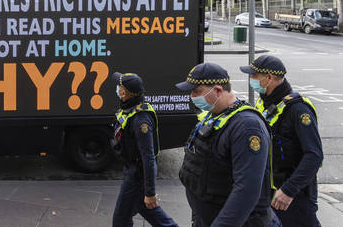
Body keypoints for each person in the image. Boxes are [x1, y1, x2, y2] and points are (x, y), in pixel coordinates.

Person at [176, 62, 280, 227]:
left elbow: (246, 190)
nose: (192, 96)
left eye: (197, 91)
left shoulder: (247, 126)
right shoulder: (215, 115)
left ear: (217, 90)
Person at [240, 55, 323, 227]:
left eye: (254, 76)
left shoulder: (298, 109)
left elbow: (314, 155)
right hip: (269, 192)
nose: (251, 80)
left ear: (269, 78)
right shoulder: (264, 102)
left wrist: (288, 190)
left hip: (293, 196)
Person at [111, 72, 178, 227]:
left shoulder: (141, 120)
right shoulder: (131, 109)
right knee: (146, 211)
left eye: (118, 86)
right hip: (132, 172)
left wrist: (150, 192)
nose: (116, 89)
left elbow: (148, 158)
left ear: (123, 92)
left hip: (137, 178)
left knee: (120, 219)